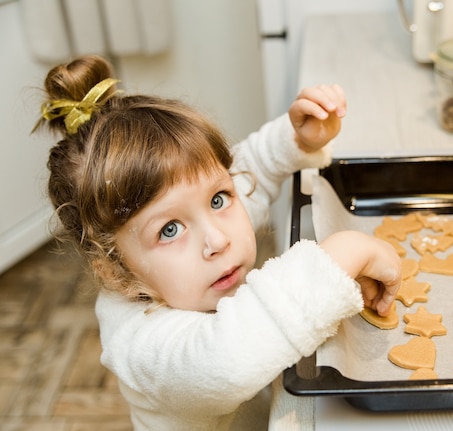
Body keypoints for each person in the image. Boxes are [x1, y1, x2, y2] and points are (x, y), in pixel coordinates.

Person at [35, 55, 401, 430]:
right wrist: (345, 253)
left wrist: (296, 139)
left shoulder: (204, 241)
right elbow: (227, 362)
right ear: (115, 271)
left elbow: (250, 167)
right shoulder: (139, 345)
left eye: (217, 200)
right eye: (170, 230)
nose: (217, 240)